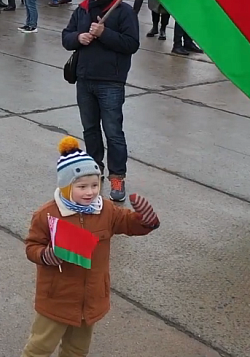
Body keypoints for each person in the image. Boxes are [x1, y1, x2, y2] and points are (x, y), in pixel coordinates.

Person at [22, 136, 159, 357]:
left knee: (77, 350)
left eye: (95, 185)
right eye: (82, 186)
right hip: (58, 298)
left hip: (91, 298)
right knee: (40, 347)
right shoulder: (47, 214)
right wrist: (46, 255)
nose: (90, 192)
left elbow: (126, 222)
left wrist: (145, 221)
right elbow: (31, 247)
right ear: (66, 187)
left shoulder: (106, 209)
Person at [61, 0, 140, 202]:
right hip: (84, 80)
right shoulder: (83, 10)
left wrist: (104, 33)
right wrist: (78, 37)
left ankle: (117, 176)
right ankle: (94, 171)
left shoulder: (123, 11)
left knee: (113, 132)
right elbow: (66, 36)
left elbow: (131, 44)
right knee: (90, 130)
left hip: (111, 82)